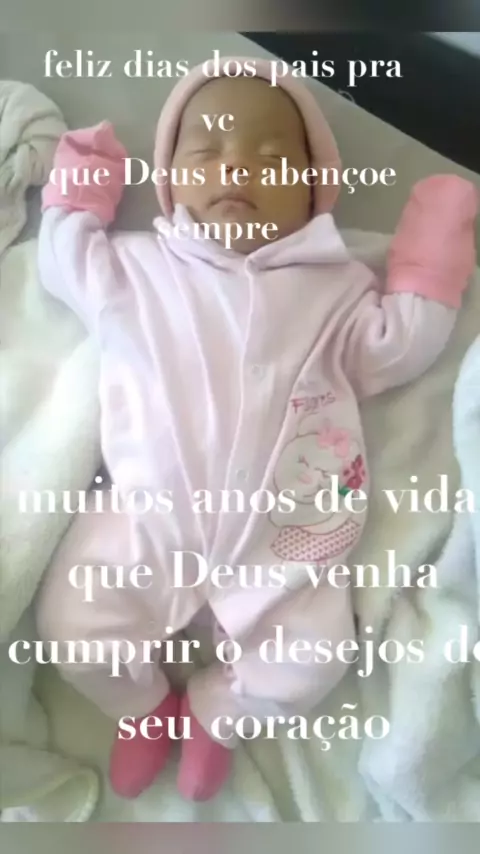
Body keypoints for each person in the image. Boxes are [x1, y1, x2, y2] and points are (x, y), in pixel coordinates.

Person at [35, 56, 478, 802]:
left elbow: (402, 345)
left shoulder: (336, 289)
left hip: (289, 537)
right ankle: (142, 706)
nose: (237, 166)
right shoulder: (137, 269)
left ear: (314, 192)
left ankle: (219, 713)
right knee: (74, 624)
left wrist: (432, 249)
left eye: (272, 158)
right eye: (206, 151)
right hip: (148, 516)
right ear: (170, 181)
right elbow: (62, 258)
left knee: (317, 655)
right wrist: (83, 181)